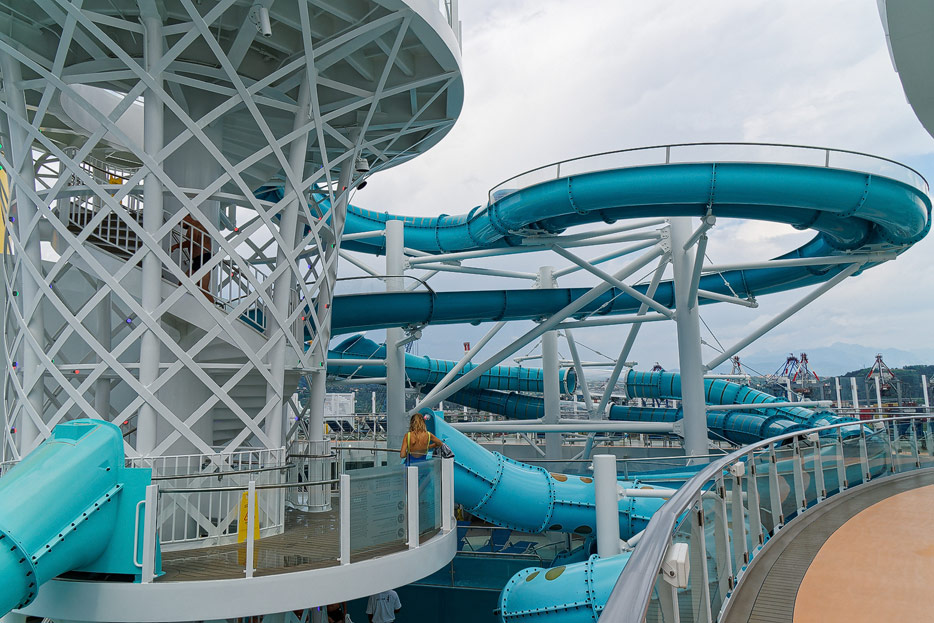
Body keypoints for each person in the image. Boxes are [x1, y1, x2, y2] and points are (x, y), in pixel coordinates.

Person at [171, 213, 214, 303]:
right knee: (184, 284)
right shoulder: (195, 226)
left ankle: (213, 307)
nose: (180, 225)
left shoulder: (195, 225)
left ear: (186, 217)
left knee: (202, 287)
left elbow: (191, 242)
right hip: (199, 260)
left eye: (180, 222)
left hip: (203, 259)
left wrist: (176, 246)